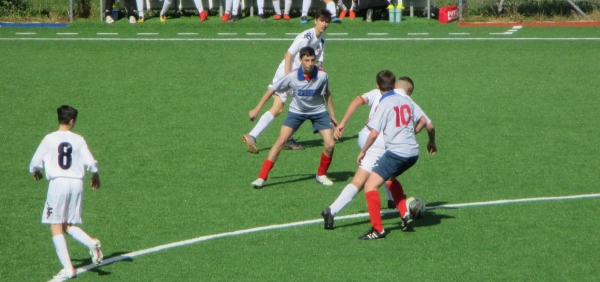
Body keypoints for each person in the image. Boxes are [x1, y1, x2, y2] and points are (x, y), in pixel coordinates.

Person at [321, 76, 432, 230]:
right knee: (364, 181)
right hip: (377, 142)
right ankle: (333, 211)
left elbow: (356, 101)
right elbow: (427, 123)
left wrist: (343, 123)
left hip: (367, 136)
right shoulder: (404, 99)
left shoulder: (377, 93)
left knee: (387, 175)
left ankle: (398, 207)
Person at [356, 70, 436, 240]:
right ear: (394, 85)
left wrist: (363, 151)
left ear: (378, 87)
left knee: (370, 185)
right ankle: (405, 214)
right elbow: (428, 124)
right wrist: (431, 142)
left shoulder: (383, 104)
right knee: (389, 178)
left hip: (397, 153)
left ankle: (378, 230)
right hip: (413, 153)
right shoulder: (407, 99)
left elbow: (373, 133)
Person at [30, 105, 104, 281]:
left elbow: (35, 162)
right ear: (72, 121)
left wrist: (36, 170)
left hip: (58, 184)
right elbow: (91, 162)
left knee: (55, 225)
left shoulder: (49, 138)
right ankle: (91, 243)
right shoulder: (78, 139)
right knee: (66, 223)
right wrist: (95, 175)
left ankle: (68, 268)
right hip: (77, 184)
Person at [243, 9, 332, 154]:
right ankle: (259, 135)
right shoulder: (306, 36)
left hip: (300, 78)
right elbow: (288, 55)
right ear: (315, 20)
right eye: (321, 20)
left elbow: (319, 64)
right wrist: (288, 78)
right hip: (287, 76)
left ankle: (262, 136)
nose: (324, 24)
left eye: (327, 21)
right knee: (284, 107)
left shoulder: (321, 41)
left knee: (288, 107)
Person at [251, 47, 337, 188]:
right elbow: (272, 89)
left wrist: (332, 115)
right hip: (297, 111)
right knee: (281, 141)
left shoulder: (322, 75)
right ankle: (261, 178)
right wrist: (257, 109)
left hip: (318, 111)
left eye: (312, 60)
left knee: (330, 144)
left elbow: (327, 93)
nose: (310, 63)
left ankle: (321, 174)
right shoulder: (292, 76)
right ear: (300, 60)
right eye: (306, 60)